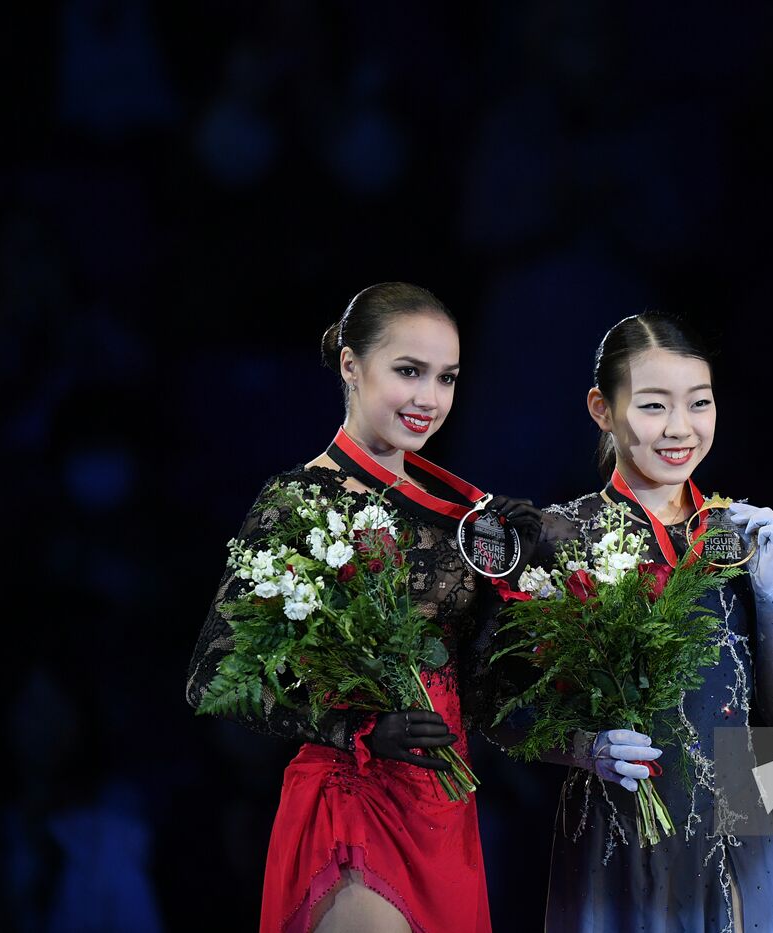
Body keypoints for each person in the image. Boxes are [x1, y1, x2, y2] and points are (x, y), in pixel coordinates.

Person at [187, 282, 542, 933]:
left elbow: (485, 695)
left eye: (446, 377)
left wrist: (536, 621)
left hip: (445, 822)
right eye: (408, 371)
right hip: (350, 804)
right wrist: (358, 729)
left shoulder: (466, 514)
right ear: (351, 364)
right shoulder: (298, 502)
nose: (428, 397)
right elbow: (212, 679)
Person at [514, 312, 773, 932]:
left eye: (699, 404)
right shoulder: (562, 536)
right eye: (653, 406)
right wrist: (585, 750)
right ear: (602, 408)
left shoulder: (740, 535)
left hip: (732, 830)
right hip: (616, 832)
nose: (681, 429)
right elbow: (506, 709)